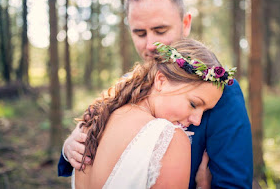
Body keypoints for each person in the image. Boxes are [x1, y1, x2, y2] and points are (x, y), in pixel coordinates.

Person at [58, 0, 253, 188]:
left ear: (185, 23)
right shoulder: (125, 85)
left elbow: (234, 183)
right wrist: (69, 147)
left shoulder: (221, 91)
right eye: (140, 33)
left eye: (160, 30)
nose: (150, 44)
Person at [72, 39, 234, 188]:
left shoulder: (95, 120)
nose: (197, 120)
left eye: (204, 111)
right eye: (193, 104)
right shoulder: (169, 139)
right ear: (161, 81)